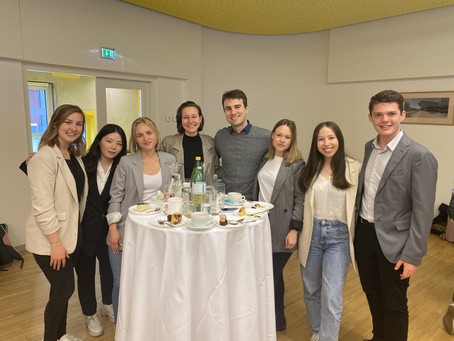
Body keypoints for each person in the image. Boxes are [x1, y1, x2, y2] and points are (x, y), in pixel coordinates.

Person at [355, 90, 438, 341]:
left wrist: (412, 255)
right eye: (378, 114)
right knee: (373, 295)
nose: (385, 119)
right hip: (365, 236)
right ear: (370, 117)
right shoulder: (369, 147)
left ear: (402, 114)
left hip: (395, 243)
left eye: (391, 113)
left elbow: (423, 213)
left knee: (394, 304)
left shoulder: (419, 156)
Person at [26, 104, 88, 341]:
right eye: (68, 122)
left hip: (71, 235)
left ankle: (60, 335)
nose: (74, 128)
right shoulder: (44, 156)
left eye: (79, 123)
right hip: (53, 240)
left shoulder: (73, 155)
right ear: (55, 124)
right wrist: (55, 243)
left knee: (60, 291)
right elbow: (42, 206)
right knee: (63, 290)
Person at [107, 117, 176, 322]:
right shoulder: (127, 162)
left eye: (149, 133)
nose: (145, 138)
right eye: (140, 135)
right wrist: (112, 228)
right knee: (121, 281)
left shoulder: (169, 159)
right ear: (135, 140)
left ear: (156, 134)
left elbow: (176, 192)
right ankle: (122, 326)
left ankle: (149, 324)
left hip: (159, 228)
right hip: (129, 227)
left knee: (154, 281)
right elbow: (115, 197)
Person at [297, 121, 361, 341]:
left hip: (339, 237)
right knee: (311, 290)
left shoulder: (354, 167)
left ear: (339, 140)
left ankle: (328, 338)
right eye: (321, 139)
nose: (327, 143)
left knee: (332, 297)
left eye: (331, 138)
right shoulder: (310, 168)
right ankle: (317, 331)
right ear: (316, 143)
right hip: (311, 234)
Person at [252, 119, 305, 332]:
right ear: (272, 136)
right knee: (274, 274)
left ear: (292, 140)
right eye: (279, 135)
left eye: (287, 136)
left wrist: (294, 229)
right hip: (261, 223)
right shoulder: (265, 160)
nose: (282, 140)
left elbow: (300, 198)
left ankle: (263, 322)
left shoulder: (297, 165)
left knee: (269, 275)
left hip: (283, 228)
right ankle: (277, 319)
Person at [76, 124, 127, 336]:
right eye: (109, 141)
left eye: (119, 143)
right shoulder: (82, 162)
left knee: (108, 269)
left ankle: (107, 304)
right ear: (99, 141)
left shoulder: (122, 166)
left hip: (109, 229)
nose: (113, 147)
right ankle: (90, 313)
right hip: (84, 229)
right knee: (85, 273)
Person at [214, 89, 270, 200]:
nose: (233, 112)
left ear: (246, 109)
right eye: (228, 108)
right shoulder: (221, 136)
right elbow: (210, 161)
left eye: (237, 107)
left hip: (254, 203)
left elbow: (284, 159)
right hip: (225, 202)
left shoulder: (266, 136)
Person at [162, 101, 220, 181]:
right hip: (179, 192)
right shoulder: (168, 142)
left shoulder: (209, 141)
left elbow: (216, 169)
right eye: (186, 117)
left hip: (204, 192)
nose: (190, 121)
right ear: (181, 120)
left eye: (194, 116)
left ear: (200, 119)